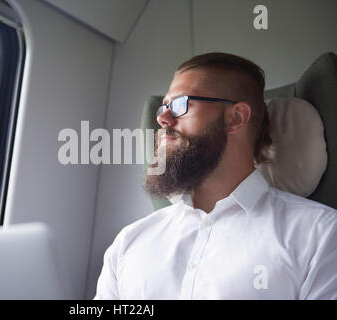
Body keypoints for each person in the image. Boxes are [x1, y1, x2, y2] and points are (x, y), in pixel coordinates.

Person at [94, 52, 336, 299]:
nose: (162, 118)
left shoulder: (321, 236)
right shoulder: (127, 244)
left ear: (235, 118)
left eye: (180, 104)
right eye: (163, 107)